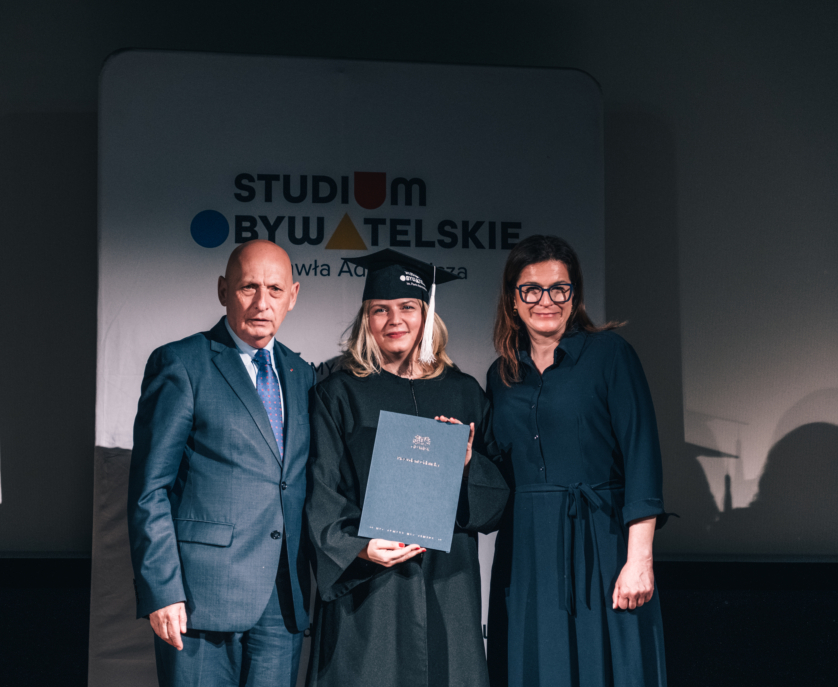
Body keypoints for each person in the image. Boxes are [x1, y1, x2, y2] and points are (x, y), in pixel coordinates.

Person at [305, 249, 510, 687]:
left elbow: (497, 500)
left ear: (426, 315)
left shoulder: (464, 393)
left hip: (447, 580)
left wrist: (468, 463)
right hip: (371, 586)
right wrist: (359, 548)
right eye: (380, 309)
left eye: (407, 308)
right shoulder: (339, 393)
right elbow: (322, 488)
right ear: (366, 319)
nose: (394, 320)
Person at [127, 240, 315, 687]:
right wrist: (163, 590)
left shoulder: (302, 374)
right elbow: (149, 489)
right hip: (199, 600)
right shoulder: (182, 363)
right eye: (249, 287)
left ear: (293, 296)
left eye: (275, 289)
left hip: (282, 602)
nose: (262, 302)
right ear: (223, 290)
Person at [484, 235, 669, 687]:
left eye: (559, 288)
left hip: (601, 544)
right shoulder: (501, 374)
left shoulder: (610, 355)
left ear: (574, 294)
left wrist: (639, 560)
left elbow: (642, 455)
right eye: (532, 289)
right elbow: (497, 472)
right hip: (526, 554)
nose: (546, 301)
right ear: (513, 299)